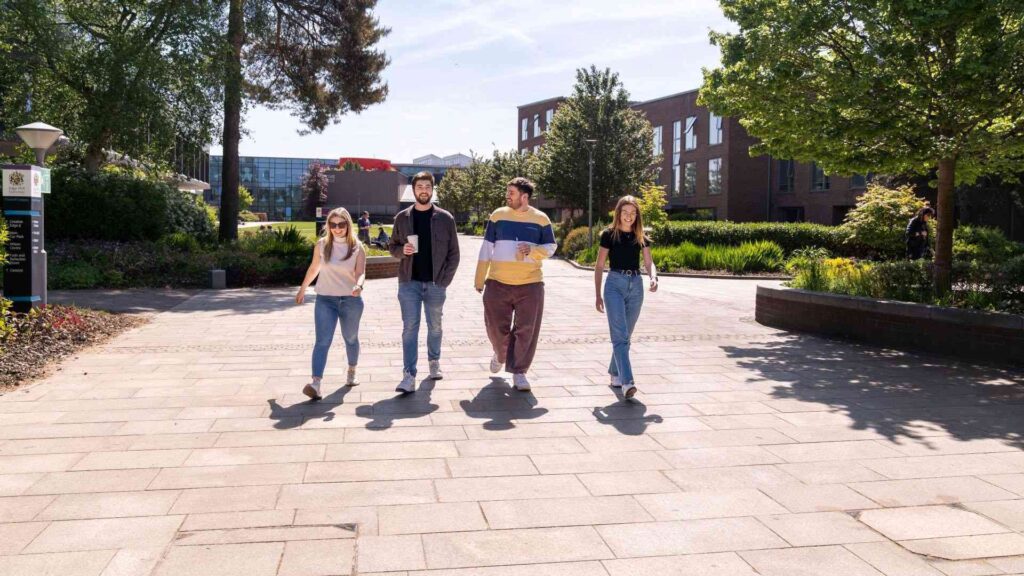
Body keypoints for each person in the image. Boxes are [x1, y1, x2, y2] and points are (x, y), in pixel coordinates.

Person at [475, 177, 558, 391]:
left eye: (511, 192)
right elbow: (486, 247)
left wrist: (532, 250)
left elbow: (550, 247)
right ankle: (500, 353)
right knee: (495, 328)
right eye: (507, 192)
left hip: (531, 284)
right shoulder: (498, 216)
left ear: (524, 196)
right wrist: (479, 278)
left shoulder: (541, 219)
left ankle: (519, 372)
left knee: (527, 330)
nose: (507, 195)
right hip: (497, 283)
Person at [389, 171, 460, 393]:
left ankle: (434, 361)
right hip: (408, 283)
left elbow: (454, 254)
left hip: (435, 284)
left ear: (432, 189)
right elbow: (392, 247)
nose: (423, 190)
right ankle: (408, 375)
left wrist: (443, 282)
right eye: (419, 186)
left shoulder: (445, 218)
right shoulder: (402, 218)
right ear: (413, 189)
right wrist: (403, 250)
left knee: (435, 326)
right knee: (410, 328)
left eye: (427, 186)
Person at [295, 207, 366, 400]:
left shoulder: (357, 247)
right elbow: (313, 268)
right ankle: (316, 383)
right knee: (322, 341)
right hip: (325, 299)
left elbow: (360, 272)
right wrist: (303, 289)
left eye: (341, 224)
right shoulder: (322, 245)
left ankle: (352, 370)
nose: (337, 228)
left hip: (351, 300)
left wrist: (359, 285)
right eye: (333, 225)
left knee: (350, 338)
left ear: (348, 225)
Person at [593, 196, 658, 399]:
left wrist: (653, 277)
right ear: (618, 213)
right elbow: (599, 265)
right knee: (620, 335)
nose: (629, 216)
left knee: (625, 336)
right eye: (625, 212)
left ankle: (614, 372)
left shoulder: (641, 237)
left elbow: (649, 262)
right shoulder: (609, 235)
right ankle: (627, 381)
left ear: (637, 215)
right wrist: (597, 294)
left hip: (636, 286)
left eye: (633, 213)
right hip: (614, 285)